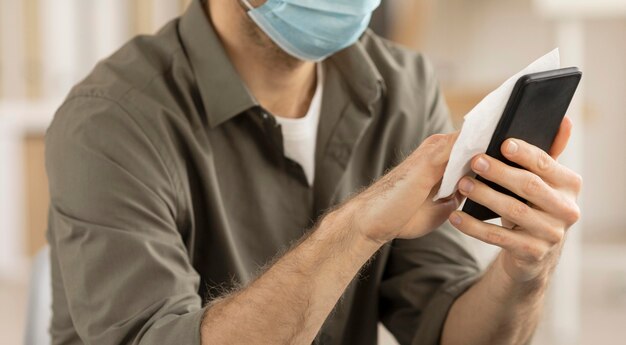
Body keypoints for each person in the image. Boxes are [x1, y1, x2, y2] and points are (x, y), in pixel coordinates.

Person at [45, 0, 582, 344]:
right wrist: (357, 228)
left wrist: (522, 273)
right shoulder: (111, 120)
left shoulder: (402, 85)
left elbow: (446, 331)